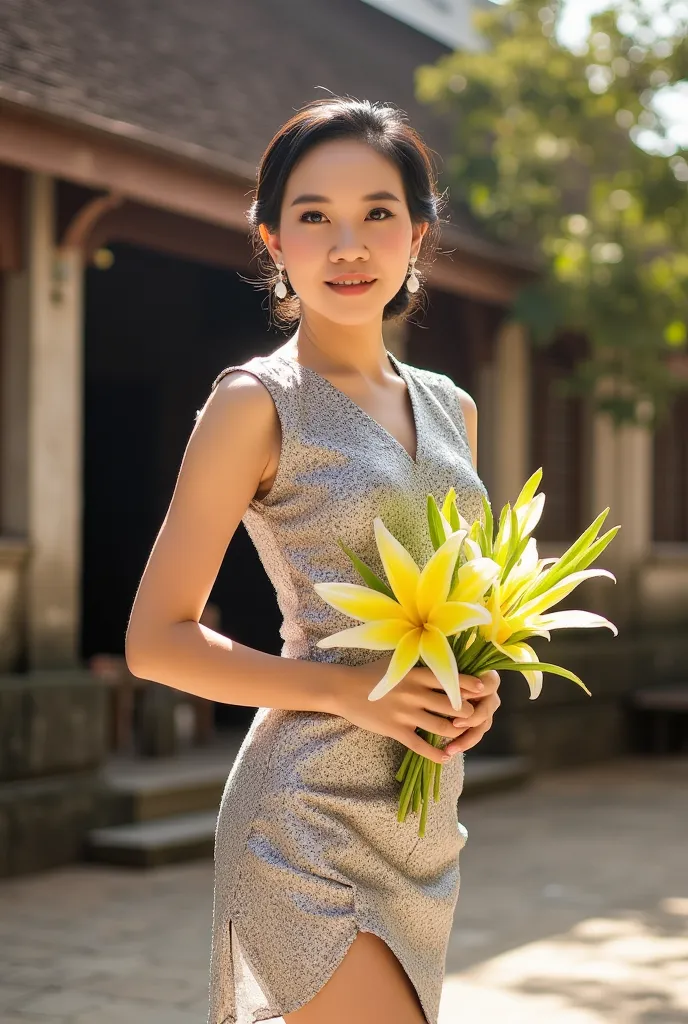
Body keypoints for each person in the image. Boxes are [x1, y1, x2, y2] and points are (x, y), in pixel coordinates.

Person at [125, 96, 502, 1024]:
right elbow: (154, 641)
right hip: (302, 820)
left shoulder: (454, 409)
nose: (348, 244)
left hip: (423, 826)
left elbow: (457, 598)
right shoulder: (255, 404)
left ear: (417, 234)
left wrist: (475, 683)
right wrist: (345, 690)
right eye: (314, 217)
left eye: (377, 213)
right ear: (272, 240)